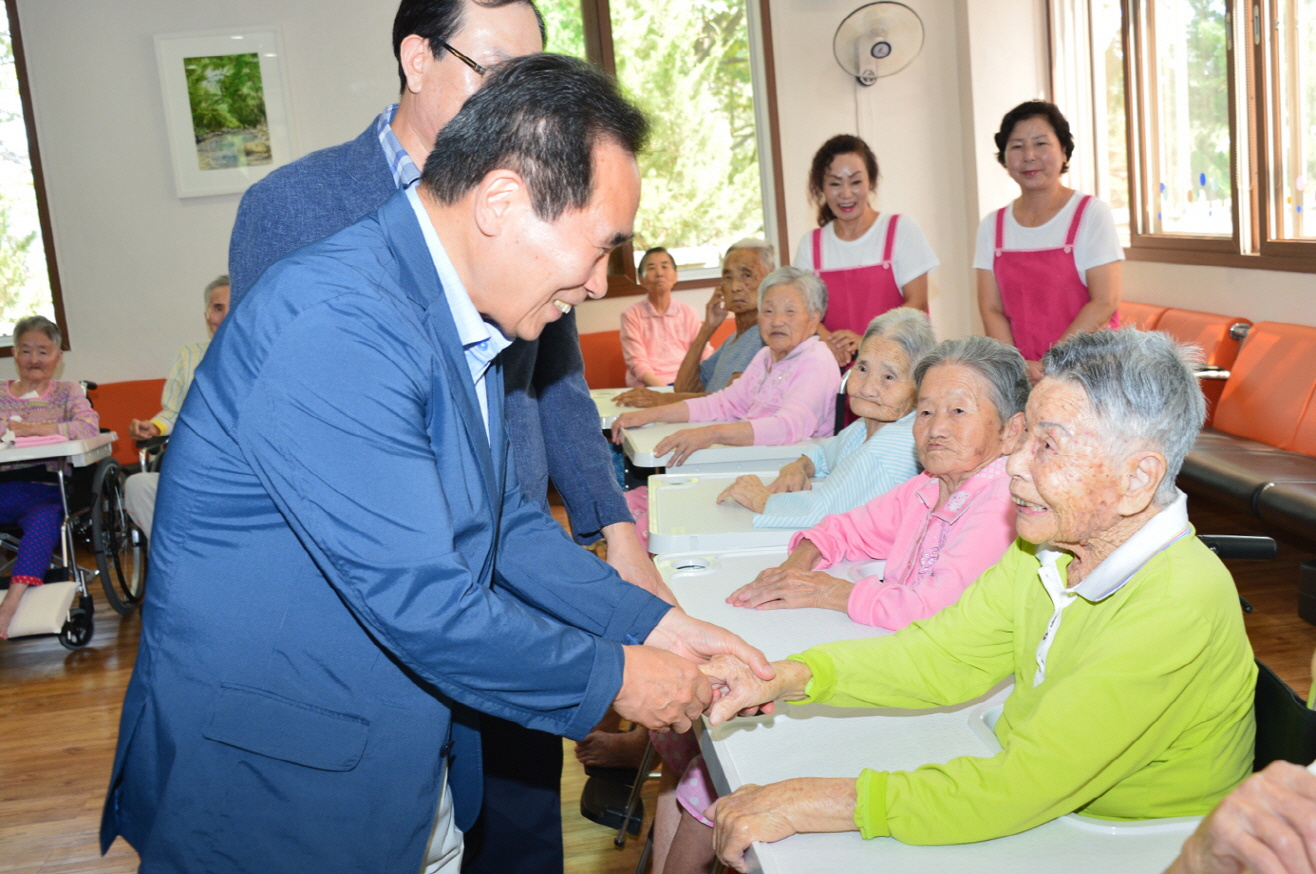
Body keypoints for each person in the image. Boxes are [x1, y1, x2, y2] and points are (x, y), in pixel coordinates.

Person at [101, 55, 771, 874]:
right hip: (280, 792)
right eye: (600, 249)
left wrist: (656, 624)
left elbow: (501, 520)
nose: (600, 284)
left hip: (401, 768)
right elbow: (424, 602)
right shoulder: (338, 321)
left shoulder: (452, 309)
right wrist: (618, 679)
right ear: (501, 202)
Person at [227, 5, 668, 873]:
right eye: (498, 71)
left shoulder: (540, 200)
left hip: (509, 548)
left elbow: (557, 380)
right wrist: (623, 673)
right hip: (377, 589)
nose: (524, 99)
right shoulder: (297, 209)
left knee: (513, 822)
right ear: (418, 58)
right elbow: (289, 438)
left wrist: (617, 534)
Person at [700, 329, 1257, 871]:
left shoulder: (1176, 602)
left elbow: (1022, 786)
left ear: (1137, 478)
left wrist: (812, 802)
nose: (1014, 463)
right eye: (1026, 437)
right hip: (1045, 802)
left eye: (1047, 445)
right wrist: (786, 676)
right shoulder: (1048, 549)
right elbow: (942, 656)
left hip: (1136, 843)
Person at [656, 335, 1027, 874]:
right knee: (709, 747)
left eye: (958, 412)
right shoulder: (930, 486)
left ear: (1012, 430)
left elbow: (930, 609)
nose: (935, 427)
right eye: (925, 411)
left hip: (951, 709)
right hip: (894, 671)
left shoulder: (1001, 502)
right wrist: (798, 566)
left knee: (721, 768)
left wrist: (831, 592)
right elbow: (843, 528)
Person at [715, 307, 933, 530]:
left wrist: (760, 498)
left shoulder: (894, 445)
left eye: (889, 377)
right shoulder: (866, 426)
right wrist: (798, 468)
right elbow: (823, 453)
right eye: (862, 368)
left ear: (921, 385)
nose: (867, 388)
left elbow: (822, 513)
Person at [611, 266, 840, 469]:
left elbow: (787, 427)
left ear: (814, 319)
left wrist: (710, 434)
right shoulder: (765, 356)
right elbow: (723, 403)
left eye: (790, 311)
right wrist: (648, 415)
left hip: (791, 469)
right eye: (768, 311)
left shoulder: (816, 360)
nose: (777, 321)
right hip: (755, 460)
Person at [975, 100, 1122, 382]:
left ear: (1064, 152)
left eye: (1041, 144)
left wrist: (1051, 364)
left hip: (1089, 373)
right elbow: (991, 308)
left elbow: (1105, 301)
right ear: (1004, 158)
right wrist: (1017, 366)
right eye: (1017, 146)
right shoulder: (992, 226)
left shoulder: (1091, 213)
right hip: (1021, 374)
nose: (1029, 156)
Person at [794, 134, 938, 366]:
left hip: (898, 367)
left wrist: (868, 342)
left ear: (871, 182)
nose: (846, 193)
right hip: (833, 372)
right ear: (821, 187)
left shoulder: (900, 229)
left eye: (855, 182)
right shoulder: (810, 244)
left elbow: (917, 303)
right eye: (835, 183)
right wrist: (828, 342)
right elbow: (802, 310)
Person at [0, 316, 99, 639]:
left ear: (58, 357)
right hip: (4, 487)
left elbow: (88, 428)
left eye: (43, 351)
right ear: (14, 354)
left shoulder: (67, 392)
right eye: (26, 350)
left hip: (48, 488)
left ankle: (10, 605)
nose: (34, 359)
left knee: (44, 519)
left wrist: (35, 429)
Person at [122, 275, 230, 537]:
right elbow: (172, 412)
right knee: (138, 486)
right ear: (207, 316)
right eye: (218, 308)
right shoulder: (189, 355)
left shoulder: (265, 354)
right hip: (194, 469)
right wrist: (153, 428)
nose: (226, 315)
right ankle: (173, 554)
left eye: (234, 305)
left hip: (242, 472)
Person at [613, 238, 773, 407]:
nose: (735, 287)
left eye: (747, 275)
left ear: (770, 280)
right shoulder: (733, 339)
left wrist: (660, 399)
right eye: (727, 277)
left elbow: (732, 401)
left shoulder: (765, 337)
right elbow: (684, 387)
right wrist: (708, 328)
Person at [619, 247, 711, 387]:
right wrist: (665, 392)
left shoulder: (688, 312)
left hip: (686, 382)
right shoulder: (631, 315)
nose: (659, 273)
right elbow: (636, 362)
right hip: (649, 385)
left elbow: (704, 352)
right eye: (651, 268)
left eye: (664, 267)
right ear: (641, 279)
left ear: (675, 276)